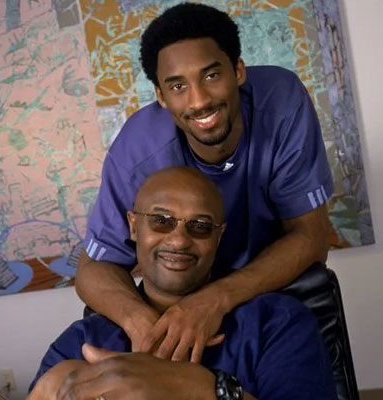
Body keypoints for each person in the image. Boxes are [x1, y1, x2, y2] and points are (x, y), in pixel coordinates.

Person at [73, 2, 334, 364]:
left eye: (211, 76)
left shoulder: (283, 101)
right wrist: (146, 325)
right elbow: (91, 270)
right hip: (172, 312)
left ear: (238, 70)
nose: (199, 101)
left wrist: (213, 300)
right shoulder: (136, 150)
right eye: (178, 85)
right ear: (161, 97)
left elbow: (313, 236)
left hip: (265, 299)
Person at [30, 167, 336, 400]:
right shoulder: (79, 344)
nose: (178, 240)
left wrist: (203, 387)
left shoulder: (276, 324)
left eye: (200, 226)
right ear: (134, 226)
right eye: (161, 221)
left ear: (219, 236)